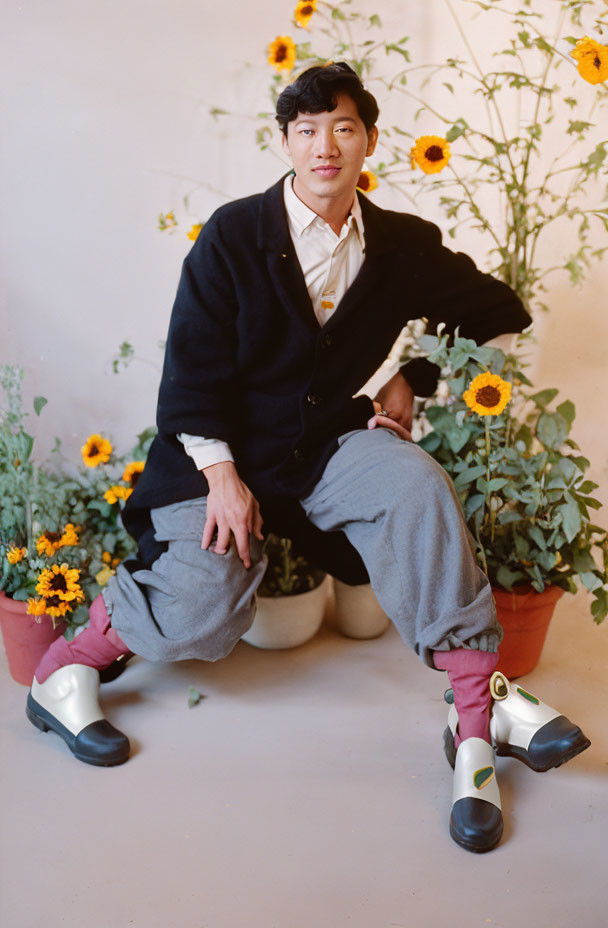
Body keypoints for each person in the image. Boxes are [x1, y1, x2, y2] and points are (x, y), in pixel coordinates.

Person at [26, 63, 590, 853]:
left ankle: (478, 709)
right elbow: (188, 374)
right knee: (203, 604)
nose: (325, 146)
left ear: (369, 141)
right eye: (307, 130)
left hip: (321, 448)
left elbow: (501, 310)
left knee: (414, 484)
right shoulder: (234, 234)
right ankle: (65, 669)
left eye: (344, 128)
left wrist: (411, 377)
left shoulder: (400, 245)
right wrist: (222, 479)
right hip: (211, 455)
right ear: (286, 141)